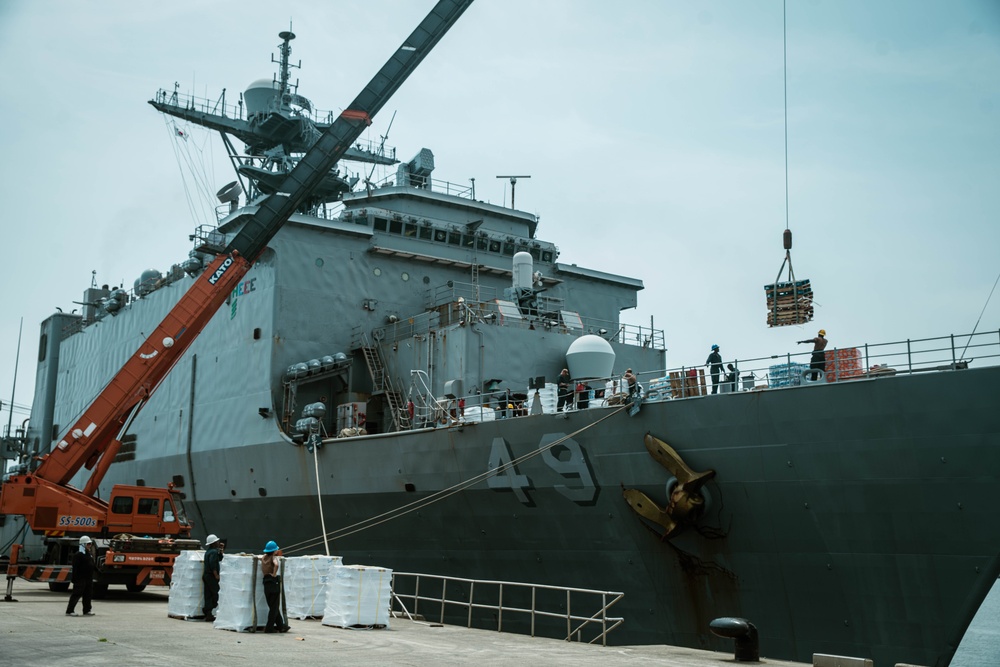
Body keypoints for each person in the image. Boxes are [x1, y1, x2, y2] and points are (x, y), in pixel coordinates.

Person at [260, 540, 289, 633]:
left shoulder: (264, 557)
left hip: (266, 582)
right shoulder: (274, 557)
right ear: (274, 550)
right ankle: (269, 628)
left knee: (272, 605)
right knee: (274, 607)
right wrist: (274, 573)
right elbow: (276, 564)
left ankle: (281, 626)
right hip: (273, 582)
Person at [66, 536, 96, 616]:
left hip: (88, 578)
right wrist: (75, 579)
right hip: (80, 578)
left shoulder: (89, 554)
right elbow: (75, 568)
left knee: (88, 594)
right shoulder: (78, 555)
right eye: (88, 544)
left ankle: (87, 610)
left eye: (90, 544)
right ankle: (70, 610)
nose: (89, 545)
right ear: (83, 544)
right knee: (76, 594)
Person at [202, 533, 224, 621]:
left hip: (206, 575)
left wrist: (221, 550)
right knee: (216, 594)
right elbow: (213, 564)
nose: (218, 542)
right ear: (213, 543)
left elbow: (220, 558)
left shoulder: (208, 552)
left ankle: (207, 613)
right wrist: (216, 575)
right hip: (211, 576)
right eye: (217, 541)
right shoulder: (214, 552)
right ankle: (209, 610)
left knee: (208, 594)